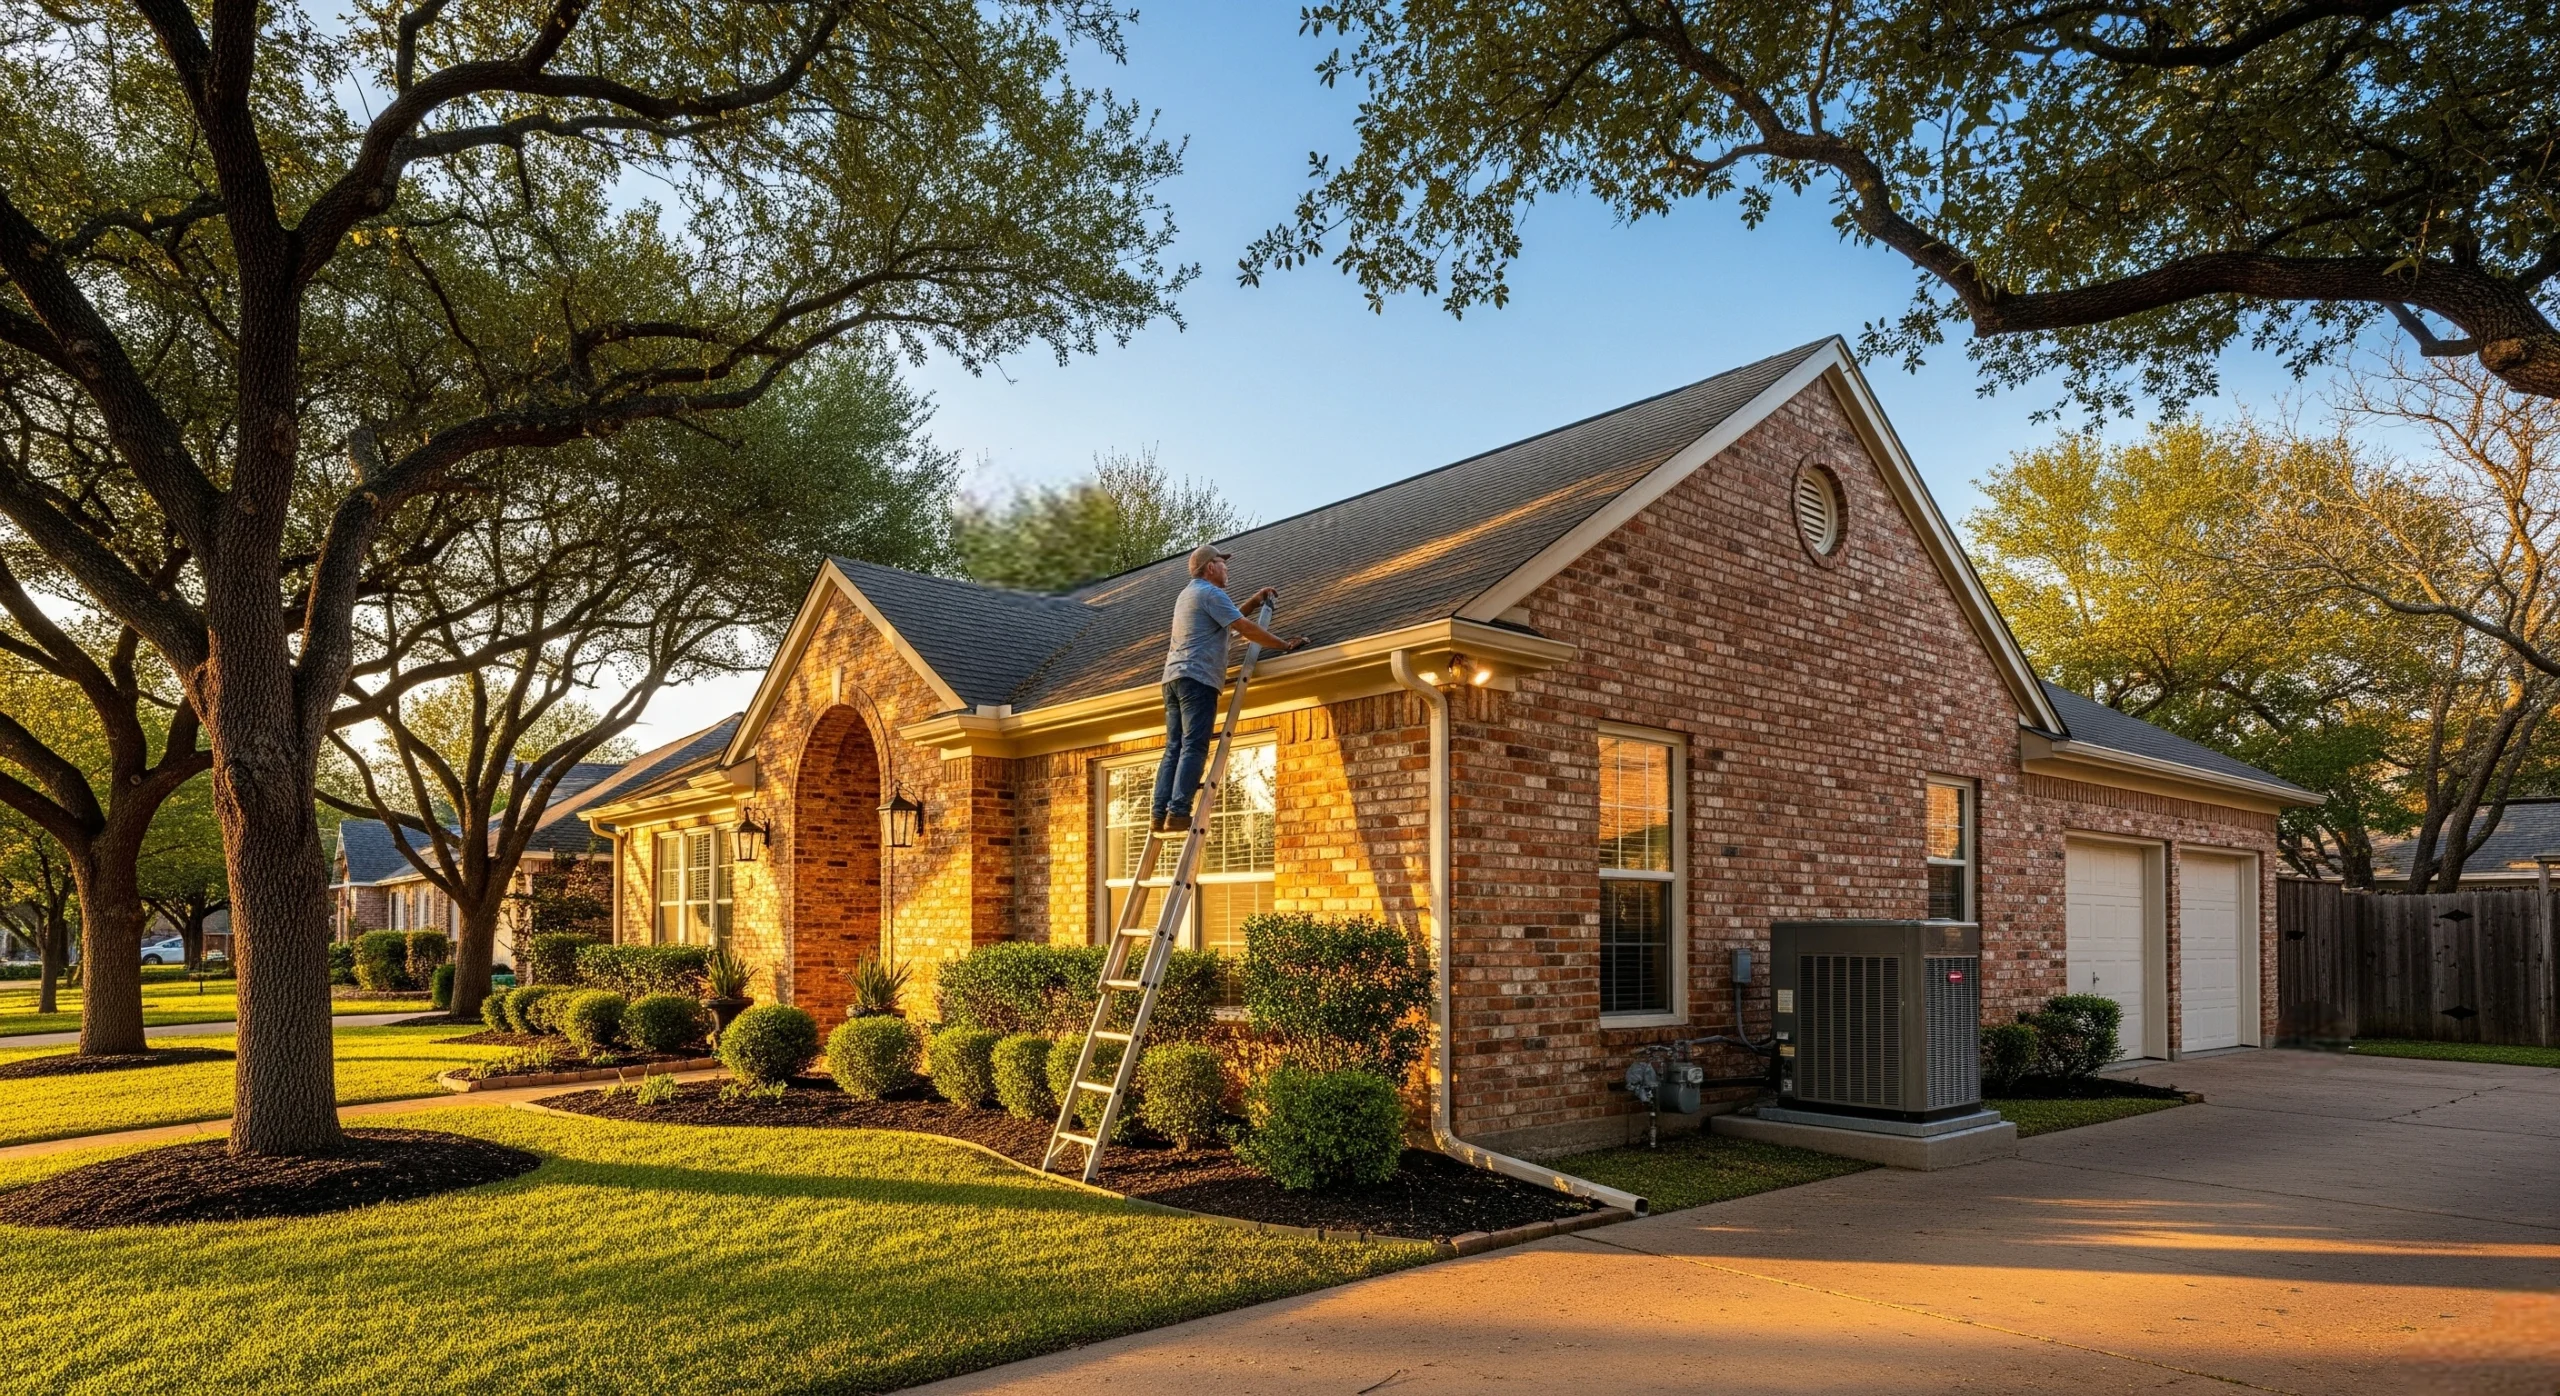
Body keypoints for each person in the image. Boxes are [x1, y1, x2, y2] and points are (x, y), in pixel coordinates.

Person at [1153, 543, 1308, 833]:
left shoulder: (1188, 595)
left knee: (1173, 747)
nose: (1227, 568)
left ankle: (1160, 813)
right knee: (1194, 746)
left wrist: (1254, 600)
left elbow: (1228, 620)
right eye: (1223, 563)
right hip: (1198, 680)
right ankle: (1178, 811)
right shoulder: (1211, 593)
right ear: (1210, 567)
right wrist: (1284, 645)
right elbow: (1244, 628)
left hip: (1173, 680)